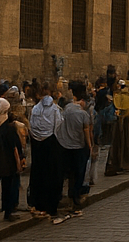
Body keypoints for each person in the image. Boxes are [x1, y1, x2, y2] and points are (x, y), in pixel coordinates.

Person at [27, 84, 65, 221]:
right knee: (52, 173)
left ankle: (37, 203)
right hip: (51, 143)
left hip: (37, 144)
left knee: (38, 172)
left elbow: (32, 125)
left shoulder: (35, 109)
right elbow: (58, 124)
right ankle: (51, 205)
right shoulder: (55, 109)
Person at [56, 83, 93, 219]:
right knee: (79, 172)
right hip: (78, 146)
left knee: (66, 171)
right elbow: (86, 132)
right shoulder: (83, 114)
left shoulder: (65, 110)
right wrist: (89, 146)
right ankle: (75, 194)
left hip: (64, 145)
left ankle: (61, 195)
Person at [106, 78, 129, 175]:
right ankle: (123, 163)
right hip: (122, 122)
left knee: (118, 143)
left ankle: (118, 163)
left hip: (120, 122)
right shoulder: (126, 96)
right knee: (123, 142)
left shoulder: (118, 96)